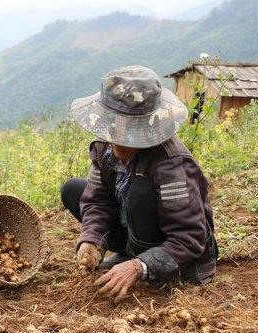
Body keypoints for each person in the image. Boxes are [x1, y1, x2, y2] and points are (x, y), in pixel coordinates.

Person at [60, 65, 218, 302]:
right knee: (73, 189)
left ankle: (142, 262)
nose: (114, 137)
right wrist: (92, 239)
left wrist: (139, 266)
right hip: (133, 230)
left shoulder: (171, 165)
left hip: (176, 254)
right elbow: (98, 200)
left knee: (139, 192)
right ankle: (129, 253)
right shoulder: (105, 148)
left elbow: (189, 237)